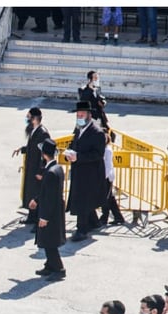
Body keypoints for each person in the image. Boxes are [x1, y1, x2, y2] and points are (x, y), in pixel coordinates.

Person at [66, 101, 107, 241]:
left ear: (89, 115)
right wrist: (69, 153)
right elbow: (73, 143)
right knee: (83, 200)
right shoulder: (78, 129)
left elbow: (98, 154)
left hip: (90, 173)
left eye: (82, 114)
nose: (79, 117)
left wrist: (79, 157)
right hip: (79, 170)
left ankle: (81, 229)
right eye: (78, 115)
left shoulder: (97, 132)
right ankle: (93, 222)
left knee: (83, 201)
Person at [32, 139, 67, 279]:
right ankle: (49, 265)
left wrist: (44, 217)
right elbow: (46, 191)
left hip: (50, 213)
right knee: (47, 240)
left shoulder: (51, 172)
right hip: (53, 211)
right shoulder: (56, 168)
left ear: (43, 154)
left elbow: (50, 197)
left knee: (49, 242)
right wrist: (36, 200)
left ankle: (58, 268)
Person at [16, 108, 50, 225]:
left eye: (28, 116)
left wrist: (41, 171)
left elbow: (44, 154)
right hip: (31, 168)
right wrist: (22, 149)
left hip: (37, 169)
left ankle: (36, 217)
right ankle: (31, 215)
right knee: (31, 191)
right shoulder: (34, 130)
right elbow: (32, 147)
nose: (27, 119)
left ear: (35, 119)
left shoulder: (42, 133)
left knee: (36, 192)